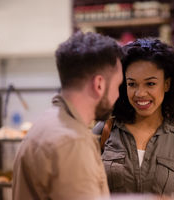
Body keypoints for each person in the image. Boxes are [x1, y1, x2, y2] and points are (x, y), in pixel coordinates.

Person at [12, 31, 123, 200]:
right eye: (118, 86)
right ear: (99, 84)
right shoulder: (73, 143)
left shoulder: (46, 123)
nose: (118, 95)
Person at [99, 38, 174, 199]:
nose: (140, 93)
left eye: (150, 84)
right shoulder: (104, 131)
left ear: (167, 84)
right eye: (132, 84)